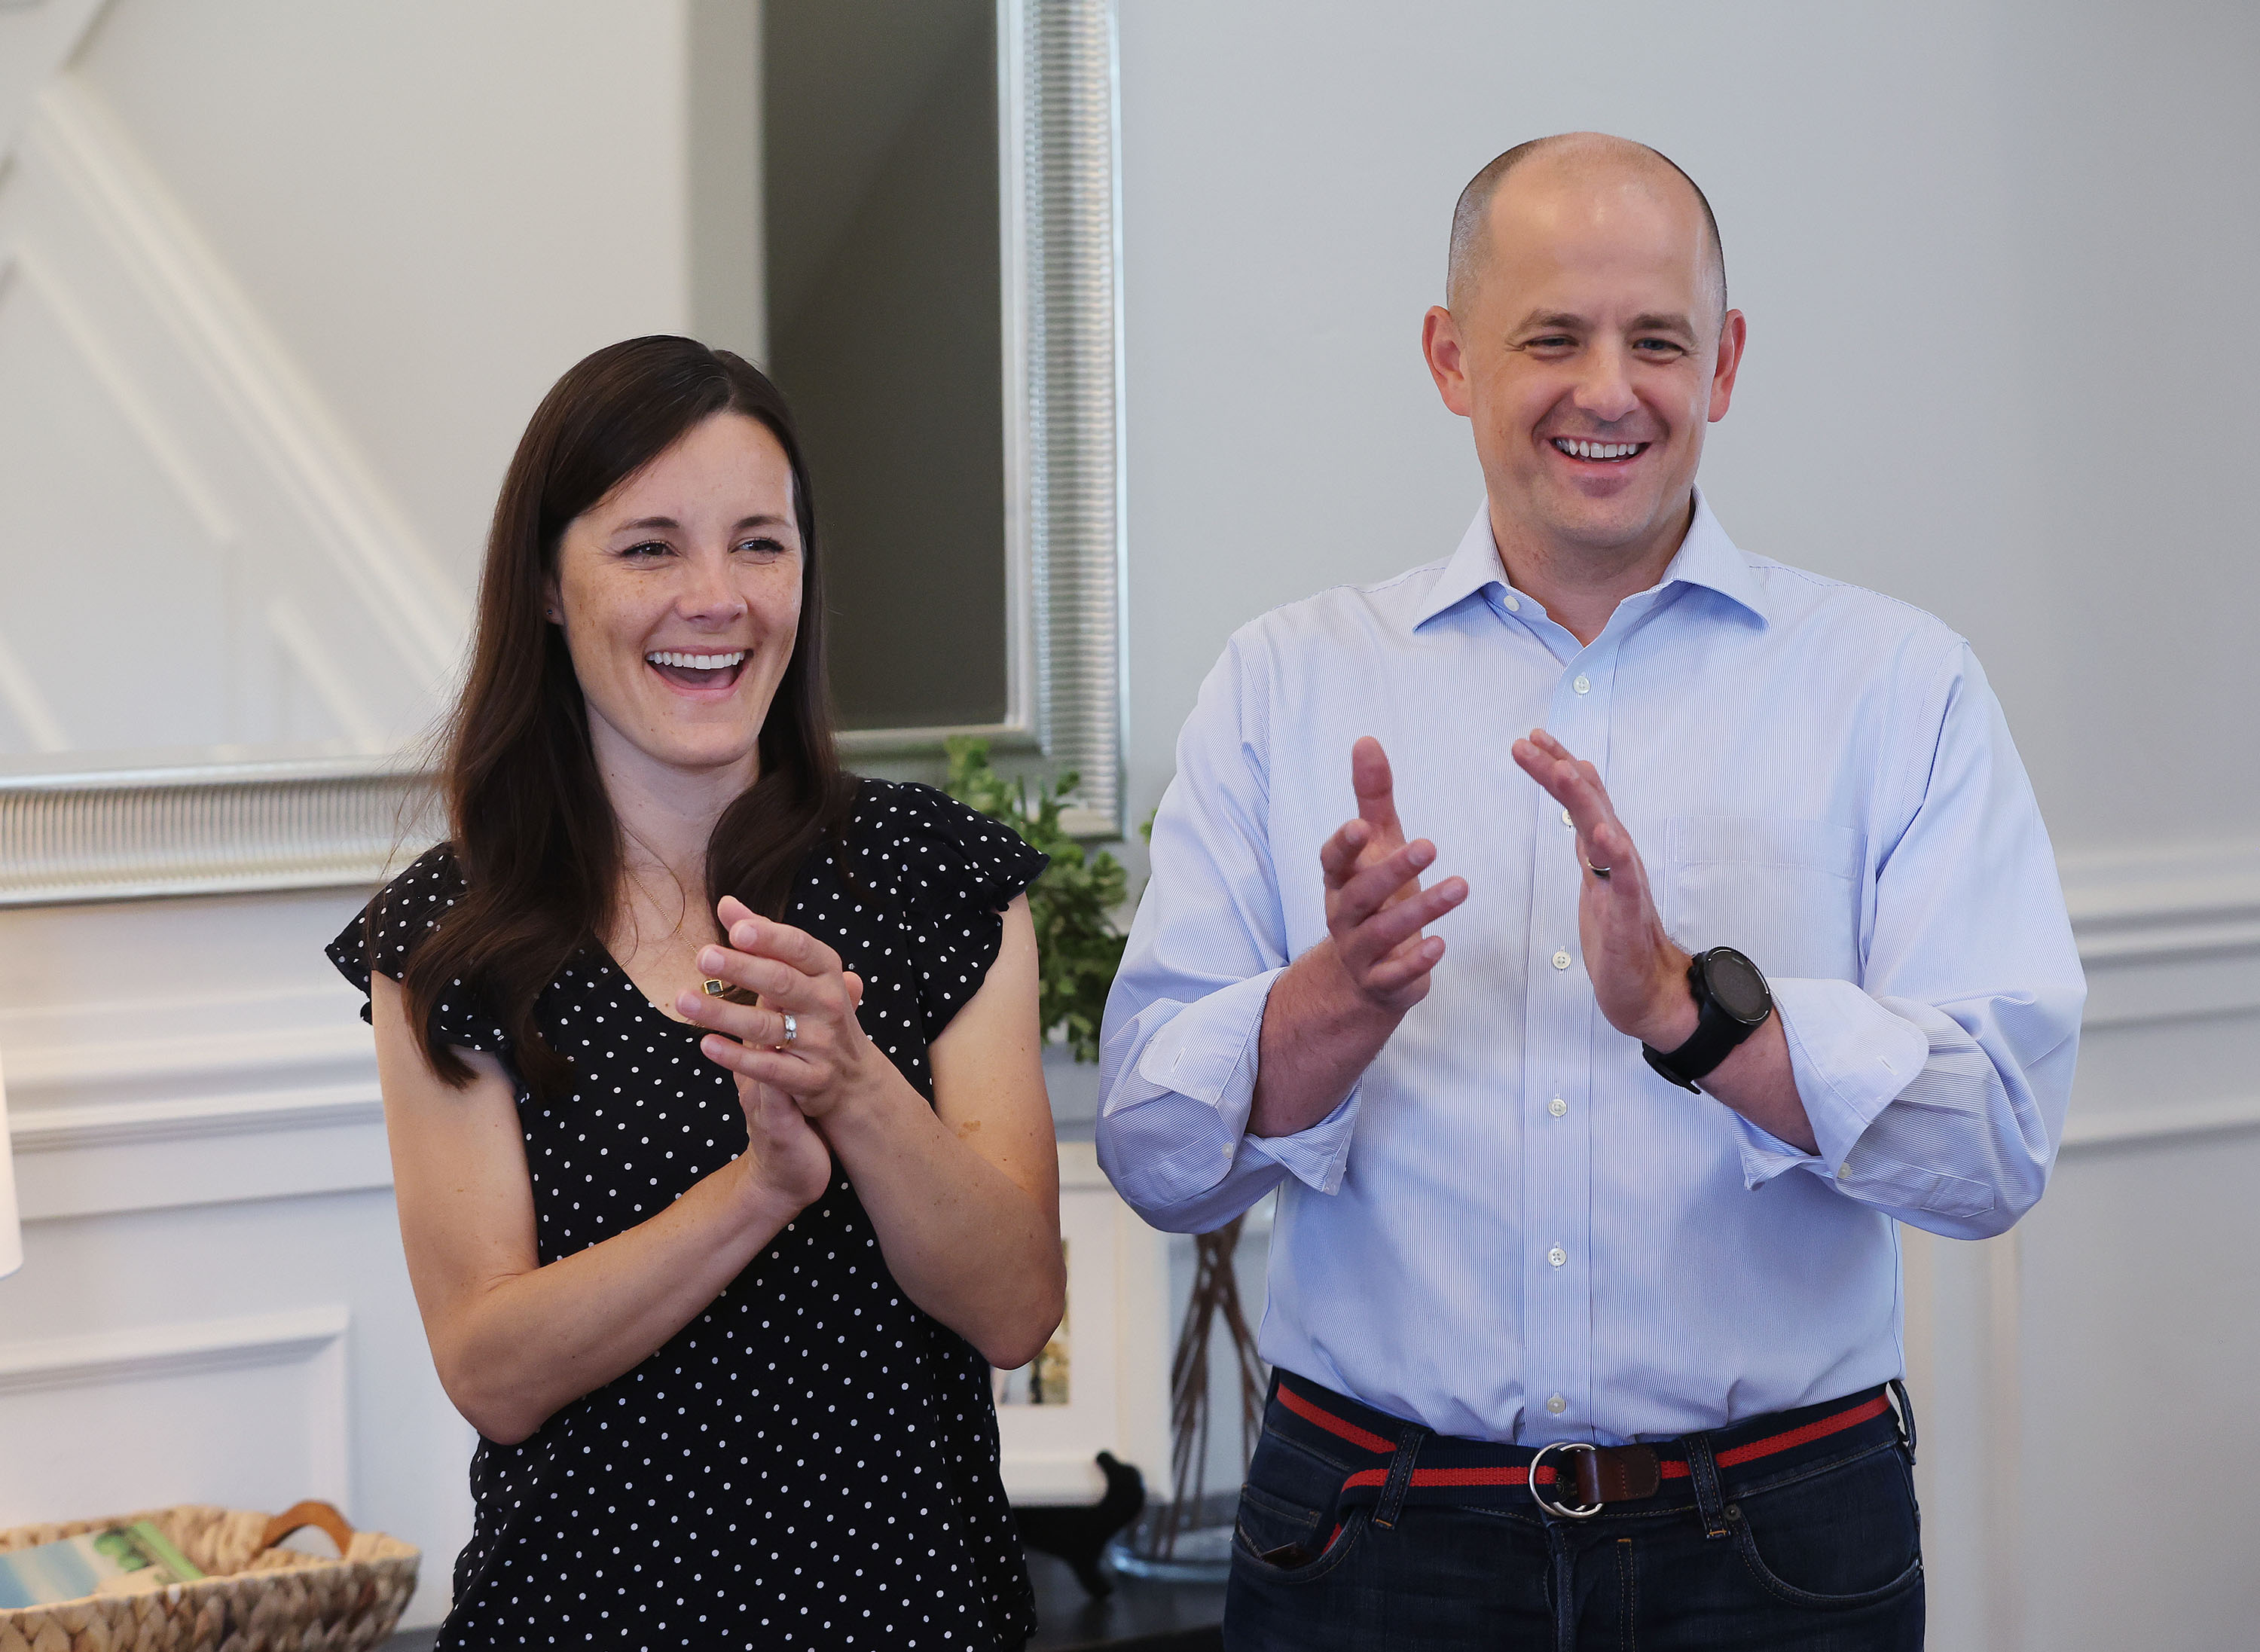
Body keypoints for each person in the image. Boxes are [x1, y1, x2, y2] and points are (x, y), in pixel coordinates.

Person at [1096, 133, 2084, 1650]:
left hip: (1778, 1547)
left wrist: (1703, 1016)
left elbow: (1995, 1144)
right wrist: (1334, 1001)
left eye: (1657, 339)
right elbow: (1160, 1154)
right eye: (1551, 335)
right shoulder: (1284, 686)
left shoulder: (1899, 685)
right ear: (1451, 355)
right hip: (1368, 1538)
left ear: (1727, 360)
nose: (1607, 388)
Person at [328, 336, 1063, 1650]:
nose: (715, 596)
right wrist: (759, 1190)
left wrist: (855, 1090)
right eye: (651, 546)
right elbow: (491, 1369)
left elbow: (1015, 1306)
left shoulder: (938, 879)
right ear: (550, 586)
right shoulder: (451, 938)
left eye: (761, 544)